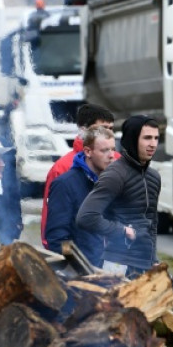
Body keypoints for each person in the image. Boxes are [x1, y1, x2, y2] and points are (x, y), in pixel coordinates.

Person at [76, 115, 173, 326]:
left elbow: (151, 223)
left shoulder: (154, 177)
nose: (153, 144)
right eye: (147, 138)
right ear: (132, 139)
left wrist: (153, 258)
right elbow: (86, 217)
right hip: (117, 266)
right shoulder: (114, 175)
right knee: (119, 330)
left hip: (146, 264)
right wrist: (122, 231)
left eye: (156, 138)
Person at [40, 103, 117, 247]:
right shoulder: (62, 168)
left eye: (110, 129)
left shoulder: (117, 162)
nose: (107, 134)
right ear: (84, 131)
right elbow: (54, 227)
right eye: (101, 129)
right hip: (83, 259)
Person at [44, 126, 116, 267]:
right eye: (104, 150)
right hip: (83, 275)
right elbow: (57, 238)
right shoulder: (65, 184)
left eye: (113, 149)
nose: (111, 155)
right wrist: (79, 270)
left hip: (112, 271)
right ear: (88, 151)